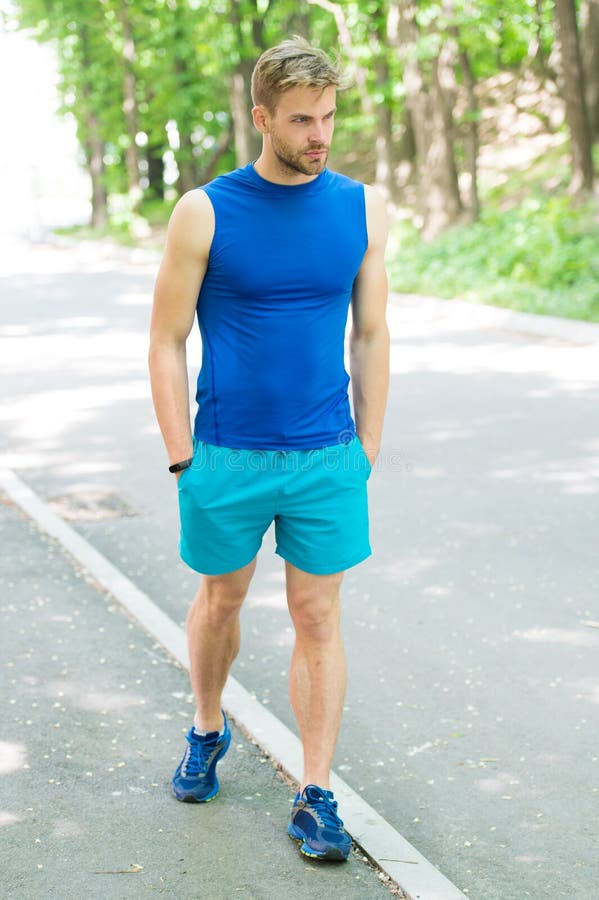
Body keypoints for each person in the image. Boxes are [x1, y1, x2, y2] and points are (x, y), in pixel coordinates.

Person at [148, 36, 389, 863]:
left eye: (327, 116)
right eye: (301, 119)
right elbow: (166, 340)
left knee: (318, 615)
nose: (320, 134)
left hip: (326, 455)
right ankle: (207, 727)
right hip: (227, 454)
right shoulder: (205, 210)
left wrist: (369, 442)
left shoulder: (361, 206)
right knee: (220, 601)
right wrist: (183, 456)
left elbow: (371, 329)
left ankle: (314, 792)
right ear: (262, 118)